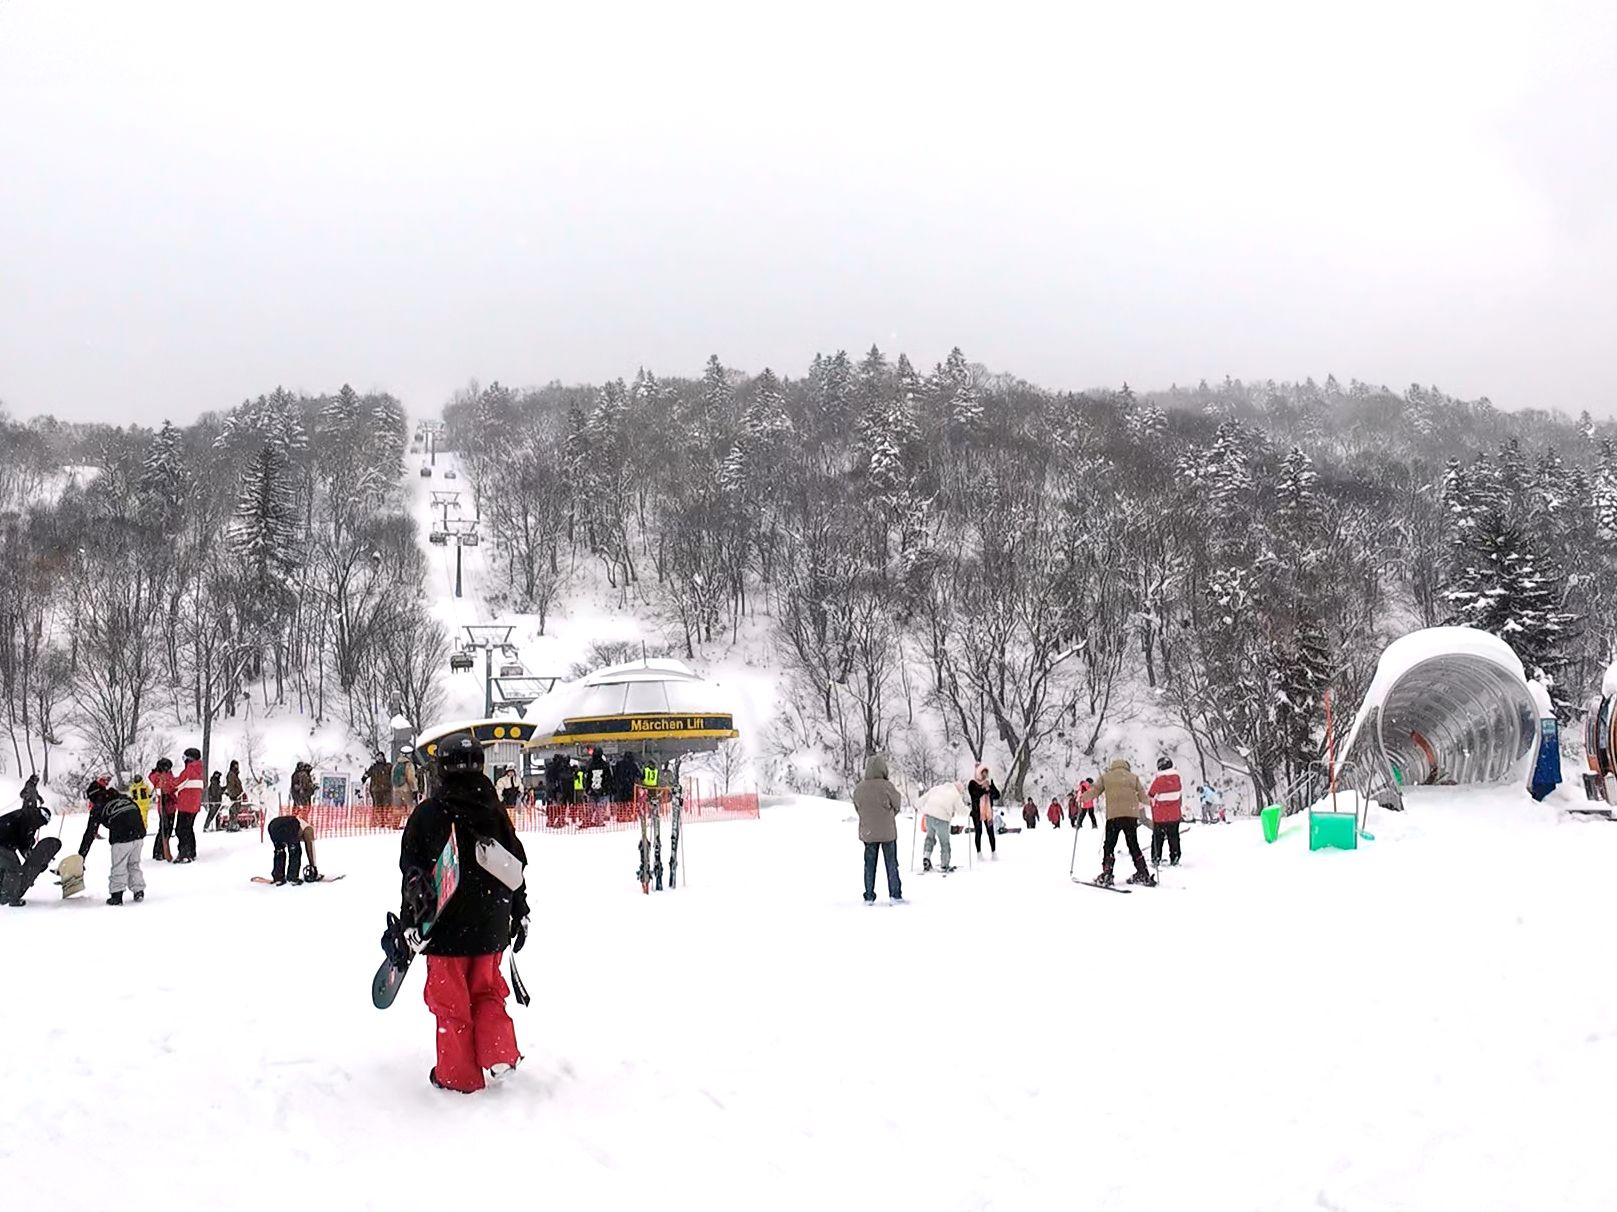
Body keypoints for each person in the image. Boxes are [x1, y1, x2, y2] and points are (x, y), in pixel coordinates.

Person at [390, 732, 528, 1093]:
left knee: (450, 1002)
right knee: (487, 991)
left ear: (442, 769)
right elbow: (516, 865)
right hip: (492, 922)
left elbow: (412, 872)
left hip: (446, 927)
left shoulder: (429, 813)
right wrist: (519, 910)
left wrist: (409, 922)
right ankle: (498, 1050)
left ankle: (458, 1075)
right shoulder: (495, 810)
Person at [1079, 759, 1155, 887]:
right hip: (1130, 816)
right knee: (1133, 845)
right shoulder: (1133, 778)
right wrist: (1153, 803)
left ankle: (1107, 874)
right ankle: (1143, 873)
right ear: (1126, 767)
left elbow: (1094, 792)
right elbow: (1143, 797)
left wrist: (1082, 798)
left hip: (1114, 817)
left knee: (1109, 846)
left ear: (1113, 767)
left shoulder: (1106, 777)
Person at [78, 782, 148, 904]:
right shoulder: (122, 797)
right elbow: (136, 809)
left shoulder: (98, 807)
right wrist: (141, 831)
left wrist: (81, 857)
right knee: (133, 863)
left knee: (119, 865)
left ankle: (117, 895)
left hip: (122, 836)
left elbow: (89, 834)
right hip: (138, 834)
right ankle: (138, 890)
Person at [852, 754, 903, 904]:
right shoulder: (887, 786)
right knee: (891, 864)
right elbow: (897, 804)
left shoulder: (859, 788)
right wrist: (889, 815)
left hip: (868, 832)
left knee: (869, 865)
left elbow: (857, 807)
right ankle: (895, 894)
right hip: (887, 832)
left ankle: (868, 895)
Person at [0, 785, 56, 907]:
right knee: (13, 868)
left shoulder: (27, 816)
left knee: (4, 868)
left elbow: (24, 839)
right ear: (42, 818)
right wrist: (28, 853)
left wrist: (34, 858)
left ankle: (2, 894)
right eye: (44, 823)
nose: (42, 826)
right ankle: (12, 899)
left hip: (4, 842)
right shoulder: (30, 818)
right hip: (2, 843)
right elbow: (23, 840)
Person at [918, 781, 966, 873]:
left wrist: (916, 805)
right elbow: (961, 810)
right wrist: (969, 811)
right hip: (942, 819)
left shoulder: (937, 788)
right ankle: (944, 865)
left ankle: (926, 857)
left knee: (929, 838)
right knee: (944, 843)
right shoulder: (955, 794)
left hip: (928, 816)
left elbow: (924, 798)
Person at [1147, 756, 1184, 867]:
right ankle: (1175, 857)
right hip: (1174, 815)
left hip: (1160, 815)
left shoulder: (1159, 780)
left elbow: (1150, 794)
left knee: (1158, 838)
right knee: (1174, 837)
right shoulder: (1177, 778)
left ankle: (1156, 858)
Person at [268, 811, 319, 884]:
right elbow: (309, 848)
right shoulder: (308, 829)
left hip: (273, 826)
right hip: (290, 827)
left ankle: (278, 876)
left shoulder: (302, 824)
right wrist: (313, 865)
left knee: (279, 851)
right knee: (295, 852)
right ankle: (292, 877)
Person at [174, 746, 205, 862]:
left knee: (181, 830)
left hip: (185, 805)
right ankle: (191, 851)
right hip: (194, 806)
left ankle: (184, 853)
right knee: (188, 829)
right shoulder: (199, 771)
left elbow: (176, 785)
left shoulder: (189, 770)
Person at [967, 764, 1000, 859]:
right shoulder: (973, 783)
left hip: (988, 812)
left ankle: (994, 852)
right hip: (977, 812)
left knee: (990, 832)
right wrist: (984, 790)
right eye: (983, 772)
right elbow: (974, 795)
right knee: (979, 831)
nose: (985, 774)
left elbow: (997, 795)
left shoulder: (989, 783)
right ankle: (979, 853)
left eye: (986, 772)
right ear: (979, 773)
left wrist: (990, 789)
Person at [149, 757, 178, 861]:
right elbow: (159, 789)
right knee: (163, 829)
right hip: (164, 805)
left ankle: (161, 850)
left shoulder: (168, 775)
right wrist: (164, 793)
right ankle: (159, 851)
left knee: (168, 829)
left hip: (171, 805)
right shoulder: (157, 776)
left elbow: (172, 785)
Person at [391, 749, 419, 813]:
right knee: (410, 810)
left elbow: (392, 777)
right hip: (406, 790)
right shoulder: (409, 764)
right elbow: (411, 778)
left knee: (399, 811)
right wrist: (415, 789)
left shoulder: (396, 764)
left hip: (396, 790)